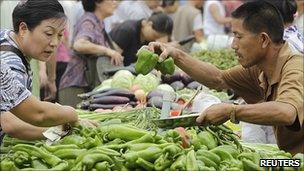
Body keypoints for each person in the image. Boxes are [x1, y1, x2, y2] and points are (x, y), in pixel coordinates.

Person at [145, 1, 303, 154]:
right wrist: (176, 54)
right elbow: (218, 79)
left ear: (263, 39)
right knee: (258, 164)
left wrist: (231, 111)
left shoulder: (295, 68)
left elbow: (286, 112)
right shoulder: (260, 67)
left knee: (264, 164)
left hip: (296, 162)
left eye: (238, 36)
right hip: (289, 157)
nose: (233, 45)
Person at [0, 0, 97, 142]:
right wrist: (64, 126)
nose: (55, 43)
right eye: (48, 33)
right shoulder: (11, 63)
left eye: (59, 35)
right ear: (23, 29)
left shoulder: (7, 36)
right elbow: (12, 124)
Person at [242, 0, 304, 144]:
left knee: (275, 163)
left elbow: (286, 112)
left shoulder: (281, 48)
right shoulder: (296, 35)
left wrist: (232, 112)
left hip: (291, 134)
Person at [59, 0, 123, 108]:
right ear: (98, 2)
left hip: (84, 87)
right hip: (76, 88)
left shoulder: (98, 22)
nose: (115, 2)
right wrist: (108, 51)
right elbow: (79, 44)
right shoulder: (88, 21)